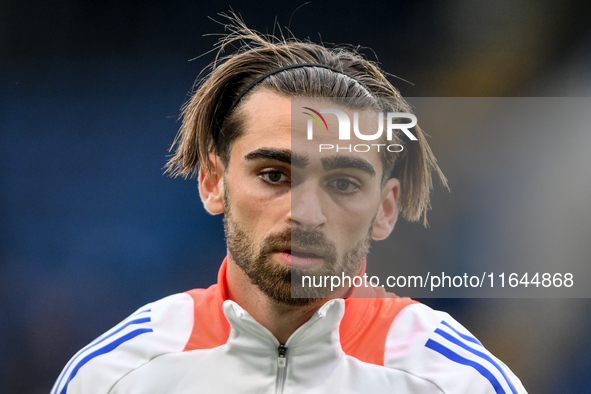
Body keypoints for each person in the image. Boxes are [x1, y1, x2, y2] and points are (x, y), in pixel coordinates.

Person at [51, 20, 528, 394]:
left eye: (343, 183)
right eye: (274, 175)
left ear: (386, 209)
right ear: (213, 182)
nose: (306, 214)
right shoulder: (114, 377)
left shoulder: (460, 382)